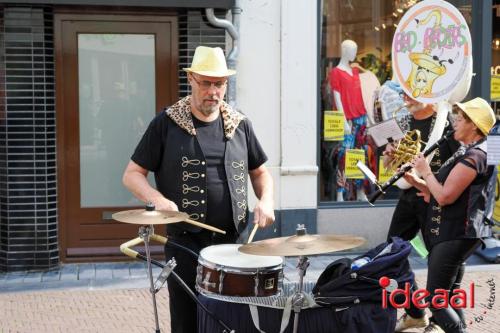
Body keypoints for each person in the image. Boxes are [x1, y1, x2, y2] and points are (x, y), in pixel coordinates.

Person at [122, 46, 275, 333]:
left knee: (234, 321)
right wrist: (158, 200)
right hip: (185, 244)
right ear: (191, 79)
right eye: (206, 82)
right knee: (187, 322)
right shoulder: (166, 124)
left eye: (219, 83)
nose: (213, 91)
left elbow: (261, 173)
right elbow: (132, 175)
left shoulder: (240, 124)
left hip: (235, 244)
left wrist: (266, 200)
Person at [404, 97, 495, 333]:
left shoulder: (475, 157)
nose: (455, 121)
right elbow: (438, 193)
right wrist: (417, 181)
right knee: (450, 295)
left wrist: (425, 170)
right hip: (458, 232)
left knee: (435, 298)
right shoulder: (472, 152)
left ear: (474, 125)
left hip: (457, 232)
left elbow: (445, 197)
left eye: (461, 118)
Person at [383, 93, 460, 332]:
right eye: (404, 92)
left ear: (430, 96)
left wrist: (430, 184)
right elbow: (391, 164)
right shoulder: (404, 123)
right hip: (408, 196)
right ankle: (415, 312)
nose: (405, 97)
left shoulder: (445, 124)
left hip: (434, 198)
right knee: (392, 252)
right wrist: (390, 158)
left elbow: (459, 164)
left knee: (440, 259)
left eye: (412, 93)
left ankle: (441, 321)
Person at [329, 39, 369, 202]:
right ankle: (340, 191)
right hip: (349, 119)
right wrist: (343, 119)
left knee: (360, 156)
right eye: (353, 50)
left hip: (361, 117)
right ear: (344, 51)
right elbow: (337, 96)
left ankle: (360, 190)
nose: (355, 53)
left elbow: (368, 86)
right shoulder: (336, 72)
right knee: (344, 156)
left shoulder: (355, 72)